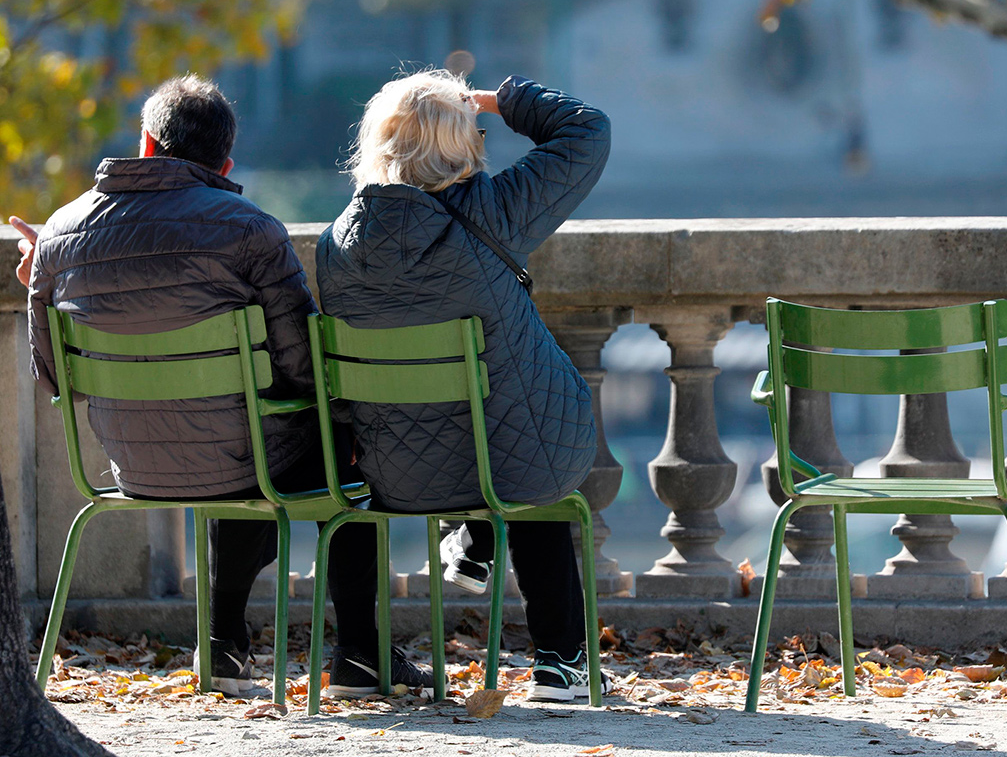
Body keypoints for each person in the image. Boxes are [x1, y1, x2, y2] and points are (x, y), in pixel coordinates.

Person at [13, 75, 432, 698]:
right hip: (243, 457)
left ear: (147, 146)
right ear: (225, 164)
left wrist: (39, 284)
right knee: (339, 434)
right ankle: (360, 655)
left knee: (242, 434)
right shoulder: (249, 229)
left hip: (130, 462)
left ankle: (224, 647)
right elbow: (299, 367)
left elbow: (51, 377)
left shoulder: (59, 234)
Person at [317, 70, 612, 702]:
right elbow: (588, 131)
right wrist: (501, 100)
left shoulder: (337, 243)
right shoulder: (496, 212)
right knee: (524, 437)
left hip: (392, 475)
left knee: (454, 430)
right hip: (504, 461)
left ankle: (360, 654)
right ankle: (560, 662)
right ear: (464, 141)